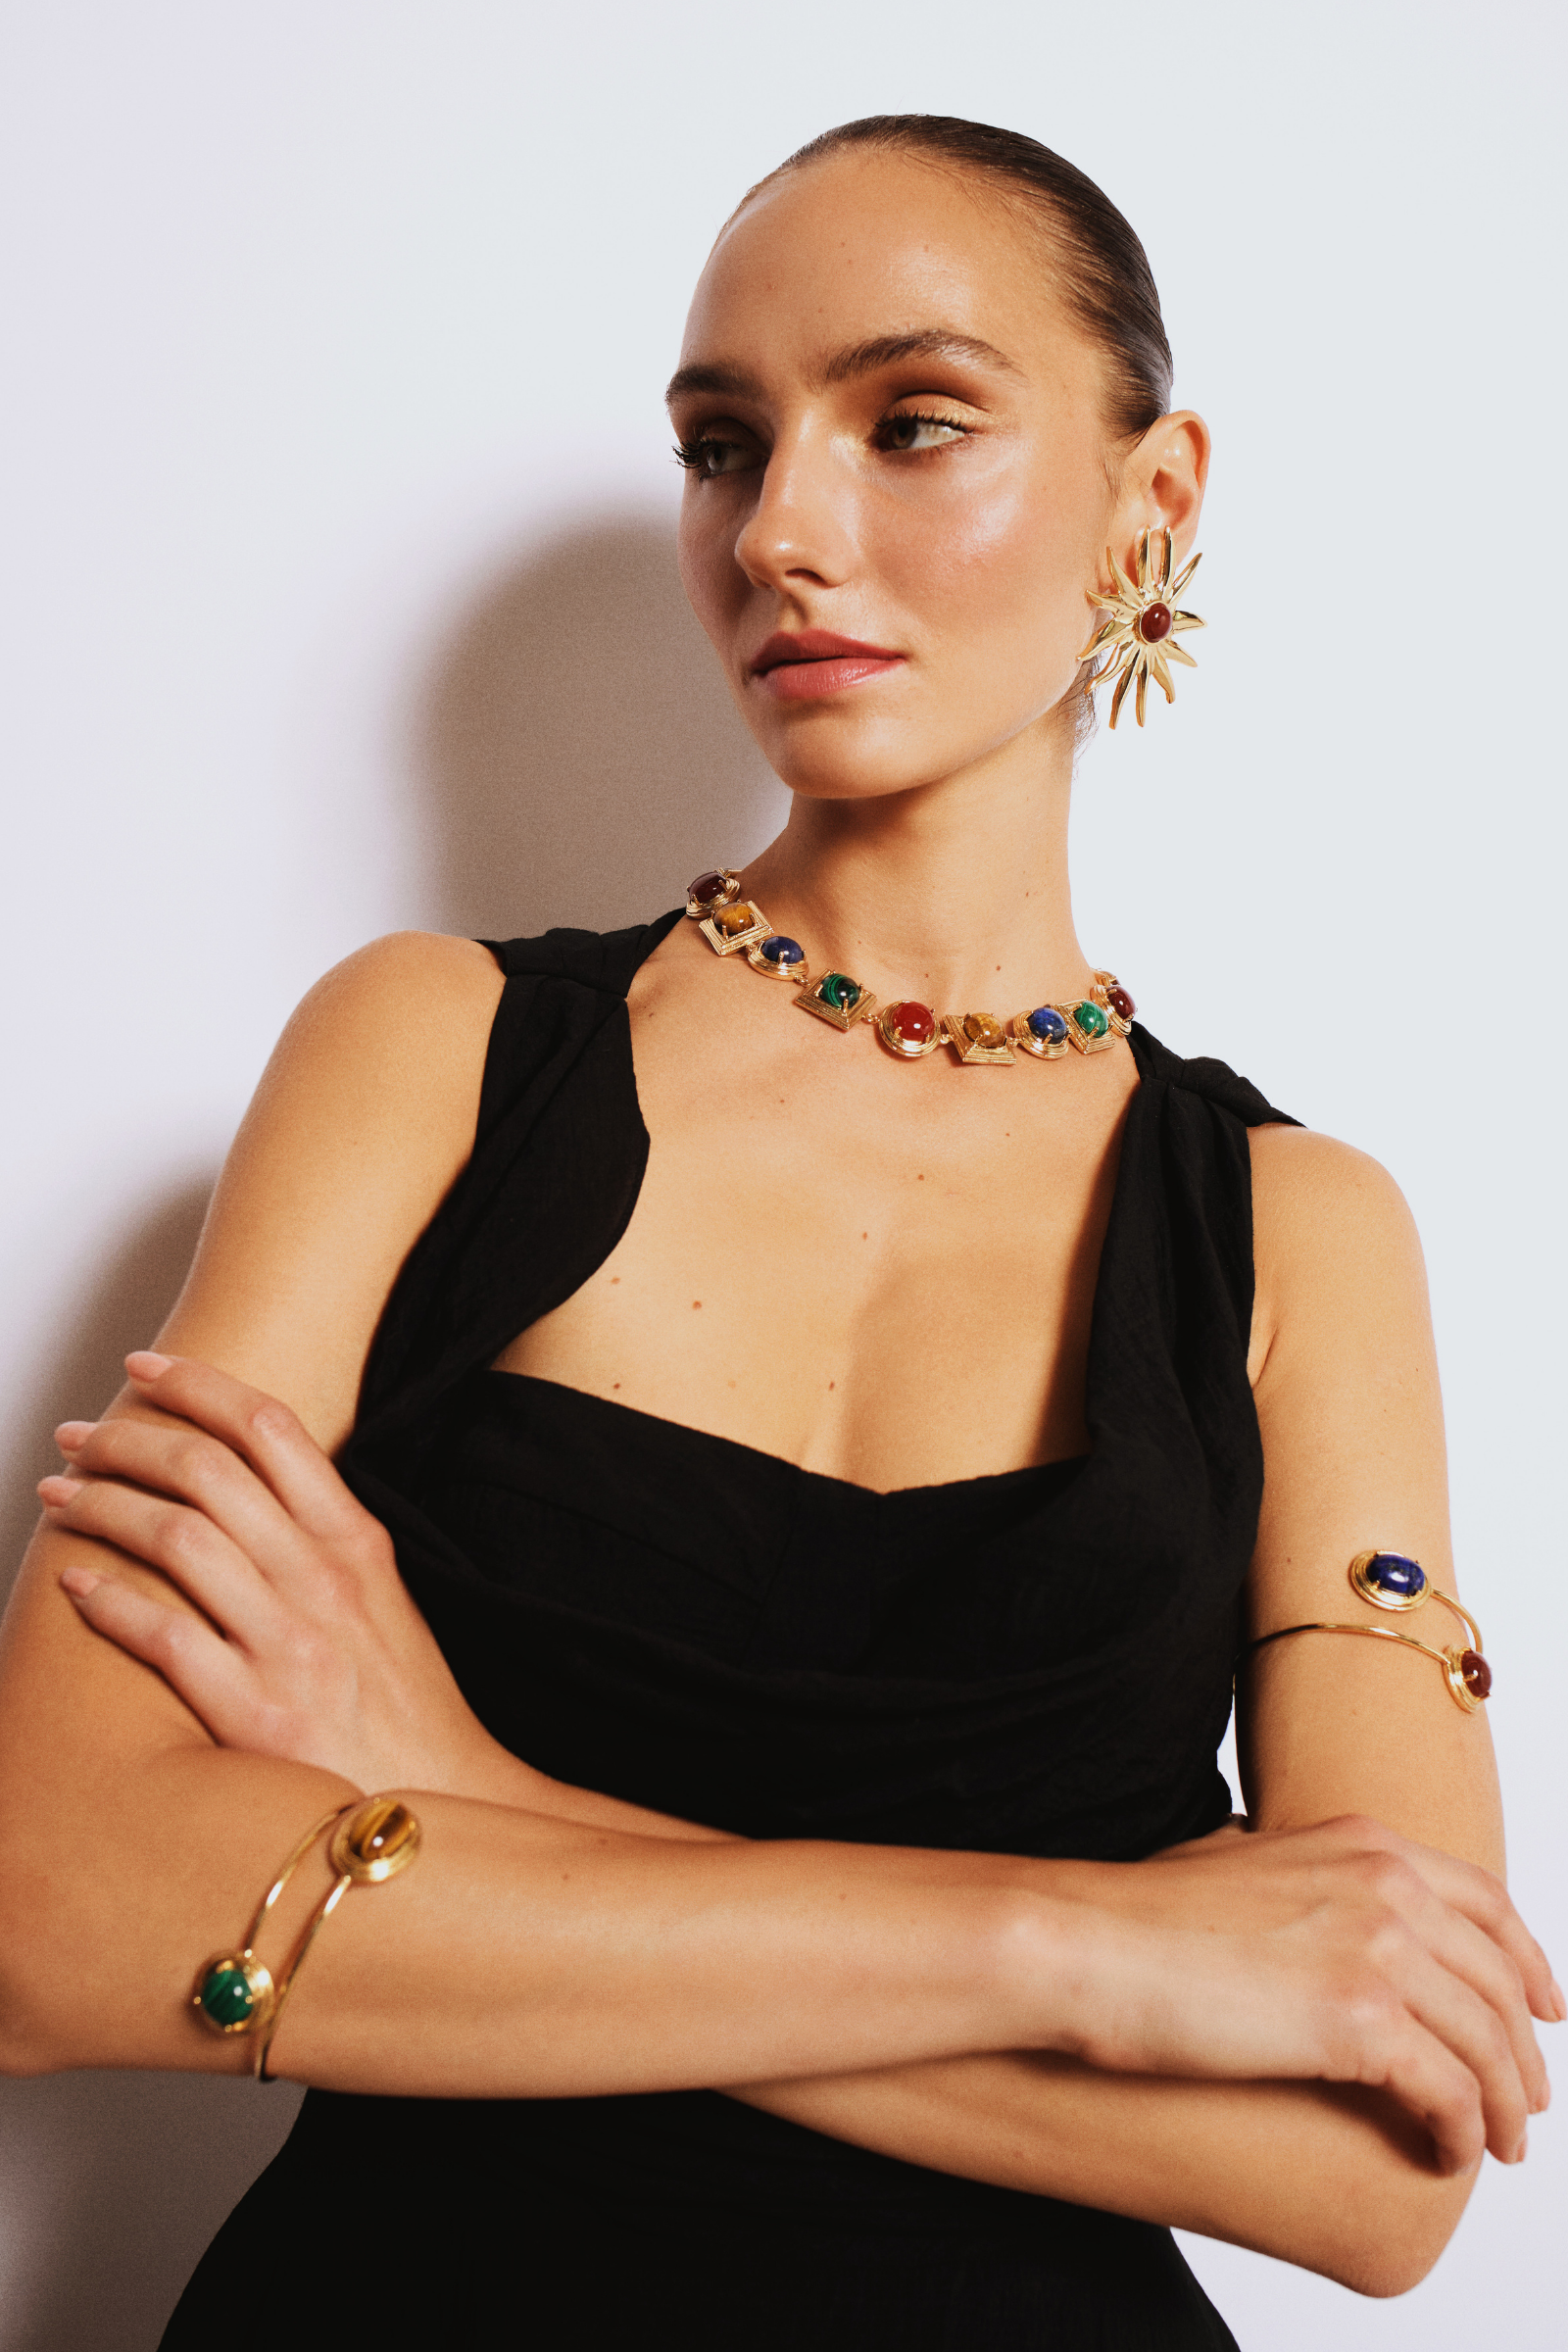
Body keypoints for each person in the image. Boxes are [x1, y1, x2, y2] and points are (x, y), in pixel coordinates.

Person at [0, 114, 1556, 2352]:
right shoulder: (430, 1055)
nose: (778, 533)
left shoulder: (1298, 1231)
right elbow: (54, 1919)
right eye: (720, 448)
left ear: (1153, 502)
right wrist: (1083, 1951)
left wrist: (455, 1791)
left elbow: (1377, 2171)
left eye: (911, 422)